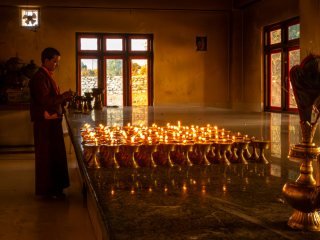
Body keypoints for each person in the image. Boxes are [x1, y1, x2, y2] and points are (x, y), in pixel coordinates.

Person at [29, 47, 73, 199]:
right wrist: (63, 96)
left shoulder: (47, 76)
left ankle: (55, 189)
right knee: (47, 157)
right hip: (45, 125)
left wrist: (63, 99)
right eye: (54, 61)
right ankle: (48, 191)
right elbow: (44, 101)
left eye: (57, 62)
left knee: (55, 156)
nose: (56, 65)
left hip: (52, 123)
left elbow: (51, 98)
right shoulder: (40, 78)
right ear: (46, 60)